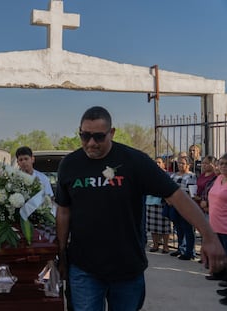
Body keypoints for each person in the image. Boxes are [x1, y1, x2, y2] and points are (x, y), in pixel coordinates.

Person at [55, 106, 226, 311]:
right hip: (84, 268)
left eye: (99, 137)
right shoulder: (70, 164)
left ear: (112, 133)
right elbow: (64, 211)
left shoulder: (134, 161)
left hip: (127, 267)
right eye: (85, 136)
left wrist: (208, 236)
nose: (91, 143)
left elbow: (176, 196)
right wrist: (61, 253)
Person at [206, 154, 227, 305]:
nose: (224, 166)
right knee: (221, 255)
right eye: (221, 163)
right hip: (215, 223)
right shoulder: (219, 179)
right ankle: (221, 277)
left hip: (226, 226)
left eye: (226, 164)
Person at [168, 156, 197, 260]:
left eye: (183, 163)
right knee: (178, 228)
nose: (180, 165)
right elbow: (169, 188)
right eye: (179, 163)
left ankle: (190, 252)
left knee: (188, 228)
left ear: (188, 165)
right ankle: (181, 248)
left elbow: (192, 193)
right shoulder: (174, 175)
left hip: (186, 206)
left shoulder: (191, 176)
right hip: (174, 205)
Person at [145, 157, 171, 254]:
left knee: (165, 226)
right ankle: (155, 244)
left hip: (162, 202)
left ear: (163, 164)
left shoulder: (167, 174)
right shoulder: (149, 175)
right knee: (153, 226)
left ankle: (165, 246)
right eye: (155, 162)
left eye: (159, 162)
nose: (157, 164)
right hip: (150, 202)